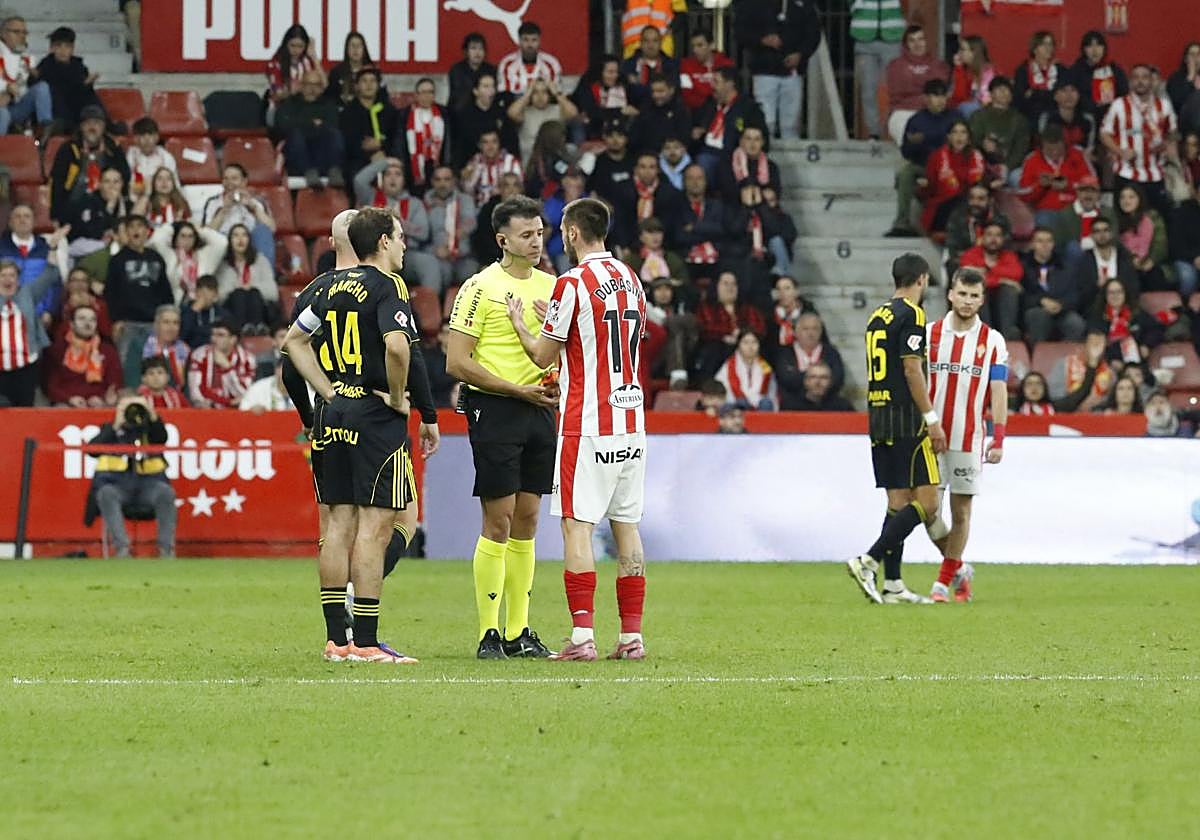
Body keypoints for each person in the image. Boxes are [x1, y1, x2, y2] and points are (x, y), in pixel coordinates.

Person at [503, 196, 649, 660]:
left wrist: (523, 324)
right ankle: (631, 637)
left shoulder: (573, 282)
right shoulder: (631, 278)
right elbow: (614, 340)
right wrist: (560, 319)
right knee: (626, 526)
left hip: (586, 424)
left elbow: (544, 356)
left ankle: (583, 636)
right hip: (631, 421)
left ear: (571, 233)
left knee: (577, 526)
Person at [284, 208, 423, 664]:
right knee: (377, 526)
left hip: (333, 412)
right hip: (372, 415)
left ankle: (336, 640)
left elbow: (293, 345)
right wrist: (400, 397)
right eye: (400, 237)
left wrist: (327, 391)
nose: (403, 245)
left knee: (337, 526)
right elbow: (399, 346)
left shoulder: (325, 287)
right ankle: (365, 641)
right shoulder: (387, 287)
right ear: (383, 242)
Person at [446, 195, 558, 659]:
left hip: (539, 409)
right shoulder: (479, 287)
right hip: (496, 408)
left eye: (539, 233)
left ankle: (519, 631)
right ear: (502, 239)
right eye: (527, 235)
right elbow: (456, 361)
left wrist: (551, 387)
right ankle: (488, 633)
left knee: (529, 520)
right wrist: (517, 390)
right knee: (499, 519)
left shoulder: (554, 286)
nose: (536, 242)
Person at [847, 253, 945, 605]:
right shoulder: (913, 314)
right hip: (905, 417)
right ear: (921, 279)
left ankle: (893, 584)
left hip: (878, 414)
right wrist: (931, 419)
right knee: (929, 504)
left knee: (897, 502)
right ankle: (868, 560)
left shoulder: (878, 315)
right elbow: (911, 369)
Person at [922, 266, 1008, 602]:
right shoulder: (929, 334)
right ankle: (959, 568)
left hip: (968, 440)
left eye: (974, 296)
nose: (968, 301)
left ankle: (943, 582)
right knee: (928, 512)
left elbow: (998, 391)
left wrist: (998, 438)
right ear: (950, 294)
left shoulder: (993, 341)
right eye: (963, 294)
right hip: (929, 439)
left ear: (982, 299)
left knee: (960, 514)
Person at [87, 393, 176, 557]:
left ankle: (166, 549)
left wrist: (152, 416)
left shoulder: (150, 429)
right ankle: (122, 548)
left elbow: (161, 437)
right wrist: (116, 425)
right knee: (106, 493)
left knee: (165, 492)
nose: (133, 411)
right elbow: (92, 450)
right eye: (128, 407)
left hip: (147, 486)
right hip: (118, 486)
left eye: (137, 407)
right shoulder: (110, 429)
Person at [735, 0, 821, 141]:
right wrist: (762, 40)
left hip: (793, 72)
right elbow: (740, 31)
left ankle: (793, 160)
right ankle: (766, 159)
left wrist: (801, 54)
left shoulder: (803, 3)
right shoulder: (752, 4)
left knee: (791, 124)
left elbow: (813, 33)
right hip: (764, 71)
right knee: (766, 122)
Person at [352, 157, 442, 292]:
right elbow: (359, 180)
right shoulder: (371, 196)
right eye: (388, 174)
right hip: (375, 252)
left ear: (404, 180)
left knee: (429, 263)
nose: (393, 179)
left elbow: (423, 233)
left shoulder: (414, 203)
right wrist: (385, 162)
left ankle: (430, 307)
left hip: (407, 253)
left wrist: (397, 222)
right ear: (382, 179)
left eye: (398, 174)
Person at [1101, 64, 1179, 218]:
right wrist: (1120, 151)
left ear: (1152, 81)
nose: (1140, 81)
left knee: (1159, 221)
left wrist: (1165, 145)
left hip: (1155, 174)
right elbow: (1104, 133)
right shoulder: (1119, 105)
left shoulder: (1164, 105)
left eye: (1144, 77)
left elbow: (1173, 133)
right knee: (1126, 222)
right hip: (1126, 173)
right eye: (1136, 77)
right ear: (1130, 82)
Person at [105, 214, 172, 373]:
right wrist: (116, 320)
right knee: (126, 364)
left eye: (140, 226)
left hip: (153, 322)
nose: (136, 230)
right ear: (126, 232)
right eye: (132, 227)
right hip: (128, 323)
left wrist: (165, 320)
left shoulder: (156, 258)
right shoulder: (117, 260)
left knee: (157, 365)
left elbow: (165, 291)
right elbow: (111, 293)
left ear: (147, 231)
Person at [888, 78, 954, 237]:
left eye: (943, 96)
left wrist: (927, 141)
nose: (940, 100)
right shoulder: (916, 121)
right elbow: (906, 152)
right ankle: (902, 222)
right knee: (905, 173)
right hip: (923, 166)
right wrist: (915, 144)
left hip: (951, 166)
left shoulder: (955, 118)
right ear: (925, 99)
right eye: (935, 96)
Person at [48, 105, 129, 221]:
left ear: (103, 127)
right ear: (81, 127)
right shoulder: (69, 149)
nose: (92, 127)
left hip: (106, 206)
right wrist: (55, 216)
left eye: (97, 123)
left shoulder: (113, 148)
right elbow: (57, 182)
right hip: (74, 206)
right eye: (88, 123)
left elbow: (125, 176)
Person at [692, 68, 768, 183]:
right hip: (705, 150)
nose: (712, 86)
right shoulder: (709, 104)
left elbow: (762, 139)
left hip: (731, 154)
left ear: (730, 84)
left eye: (716, 82)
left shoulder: (748, 108)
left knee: (705, 162)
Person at [0, 257, 58, 406]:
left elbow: (49, 276)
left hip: (25, 366)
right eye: (3, 275)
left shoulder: (28, 293)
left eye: (12, 275)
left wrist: (53, 248)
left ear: (18, 279)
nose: (8, 279)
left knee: (24, 409)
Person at [276, 69, 346, 189]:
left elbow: (333, 125)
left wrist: (304, 125)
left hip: (322, 151)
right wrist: (312, 123)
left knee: (335, 134)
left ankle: (334, 170)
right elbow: (282, 125)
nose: (312, 89)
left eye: (316, 85)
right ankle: (309, 171)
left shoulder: (328, 104)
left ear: (322, 88)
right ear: (301, 85)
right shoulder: (290, 103)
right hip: (298, 155)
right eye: (308, 84)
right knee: (296, 135)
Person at [0, 202, 69, 323]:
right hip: (5, 314)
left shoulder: (46, 247)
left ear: (34, 222)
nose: (22, 220)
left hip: (38, 315)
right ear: (10, 222)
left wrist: (49, 311)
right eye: (18, 216)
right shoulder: (1, 247)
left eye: (27, 216)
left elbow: (54, 283)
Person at [1017, 124, 1095, 227]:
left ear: (1065, 145)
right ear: (1041, 147)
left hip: (1074, 209)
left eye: (1058, 149)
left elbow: (1093, 186)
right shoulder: (1032, 160)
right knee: (1043, 223)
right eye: (1049, 150)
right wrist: (1040, 185)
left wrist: (1068, 186)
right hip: (1046, 211)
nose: (1054, 153)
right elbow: (1024, 196)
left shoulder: (1078, 154)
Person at [44, 304, 121, 406]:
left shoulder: (108, 350)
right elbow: (50, 386)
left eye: (92, 320)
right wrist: (69, 399)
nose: (87, 324)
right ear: (71, 324)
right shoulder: (57, 350)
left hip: (98, 401)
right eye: (82, 319)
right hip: (65, 402)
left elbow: (115, 382)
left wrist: (103, 397)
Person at [957, 219, 1023, 339]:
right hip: (980, 299)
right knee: (978, 290)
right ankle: (984, 336)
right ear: (982, 237)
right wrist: (1000, 280)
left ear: (1003, 239)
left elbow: (1017, 273)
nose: (993, 239)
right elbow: (967, 278)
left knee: (1009, 290)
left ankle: (1006, 339)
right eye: (989, 234)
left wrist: (987, 271)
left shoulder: (1009, 255)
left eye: (998, 235)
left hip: (1002, 300)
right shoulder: (971, 254)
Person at [694, 271, 766, 379]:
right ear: (717, 287)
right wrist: (727, 334)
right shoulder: (706, 307)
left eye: (733, 284)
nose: (730, 287)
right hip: (717, 348)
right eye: (725, 284)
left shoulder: (747, 309)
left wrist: (741, 334)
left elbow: (760, 328)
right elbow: (704, 328)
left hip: (746, 347)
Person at [885, 25, 950, 144]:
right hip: (903, 112)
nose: (917, 44)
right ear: (906, 45)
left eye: (921, 39)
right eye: (912, 40)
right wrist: (925, 88)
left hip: (932, 112)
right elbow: (898, 92)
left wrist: (914, 87)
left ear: (926, 42)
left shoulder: (938, 66)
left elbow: (938, 89)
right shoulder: (895, 66)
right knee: (910, 137)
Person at [850, 0, 905, 138]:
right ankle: (874, 133)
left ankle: (894, 129)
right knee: (868, 89)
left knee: (896, 89)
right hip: (864, 38)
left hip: (892, 38)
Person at [201, 163, 277, 262]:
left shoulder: (256, 201)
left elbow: (271, 229)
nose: (229, 182)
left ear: (244, 181)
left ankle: (264, 274)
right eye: (225, 179)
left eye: (234, 178)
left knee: (262, 231)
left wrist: (253, 208)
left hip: (251, 244)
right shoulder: (213, 202)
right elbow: (207, 234)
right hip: (225, 243)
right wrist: (224, 210)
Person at [1022, 226, 1085, 344]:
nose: (1045, 245)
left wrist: (1061, 305)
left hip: (1061, 311)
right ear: (1032, 244)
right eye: (1040, 241)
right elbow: (1021, 295)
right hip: (1036, 310)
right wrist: (1041, 301)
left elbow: (1075, 295)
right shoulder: (1023, 266)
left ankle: (1065, 359)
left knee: (1076, 323)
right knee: (1038, 316)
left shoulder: (1066, 267)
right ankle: (1038, 357)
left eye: (1049, 241)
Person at [922, 119, 986, 233]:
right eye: (955, 132)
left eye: (963, 132)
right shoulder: (936, 156)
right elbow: (930, 187)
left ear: (969, 137)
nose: (959, 136)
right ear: (949, 137)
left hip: (971, 203)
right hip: (943, 206)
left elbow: (979, 182)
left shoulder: (977, 156)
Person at [612, 151, 685, 251]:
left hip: (662, 247)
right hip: (630, 245)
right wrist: (624, 246)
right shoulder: (623, 190)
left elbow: (669, 225)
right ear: (636, 169)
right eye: (643, 167)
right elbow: (620, 222)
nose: (647, 171)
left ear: (658, 170)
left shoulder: (669, 193)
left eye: (652, 167)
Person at [214, 223, 278, 331]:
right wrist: (236, 288)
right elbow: (218, 295)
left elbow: (273, 292)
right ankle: (242, 329)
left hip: (258, 303)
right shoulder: (222, 265)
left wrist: (251, 286)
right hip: (232, 306)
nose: (240, 239)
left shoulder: (260, 261)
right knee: (239, 294)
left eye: (244, 235)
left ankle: (257, 328)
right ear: (229, 240)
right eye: (236, 235)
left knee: (253, 292)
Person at [423, 165, 479, 289]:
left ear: (454, 181)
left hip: (464, 257)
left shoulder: (465, 200)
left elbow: (471, 222)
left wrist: (456, 235)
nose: (442, 184)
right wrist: (434, 251)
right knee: (439, 271)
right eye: (438, 180)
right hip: (436, 257)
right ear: (432, 182)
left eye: (446, 179)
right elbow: (421, 238)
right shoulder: (424, 204)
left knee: (472, 274)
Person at [967, 76, 1030, 186]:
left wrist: (1007, 166)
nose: (1004, 92)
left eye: (1007, 90)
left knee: (1018, 177)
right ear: (991, 94)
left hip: (1009, 166)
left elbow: (1021, 149)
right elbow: (972, 140)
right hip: (982, 163)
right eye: (999, 89)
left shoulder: (1020, 120)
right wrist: (983, 144)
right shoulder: (978, 116)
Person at [1070, 217, 1138, 315]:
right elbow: (1081, 294)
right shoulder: (1084, 260)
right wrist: (1096, 286)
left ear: (1111, 234)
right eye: (1097, 231)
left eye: (1105, 230)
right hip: (1094, 311)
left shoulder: (1124, 257)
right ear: (1091, 236)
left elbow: (1133, 287)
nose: (1102, 235)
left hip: (1124, 309)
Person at [36, 26, 99, 132]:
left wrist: (86, 84)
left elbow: (81, 93)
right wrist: (34, 76)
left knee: (91, 98)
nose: (63, 50)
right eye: (58, 46)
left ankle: (104, 124)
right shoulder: (45, 65)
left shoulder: (78, 66)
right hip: (57, 111)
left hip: (76, 107)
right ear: (51, 48)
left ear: (72, 49)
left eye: (67, 46)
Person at [148, 220, 226, 304]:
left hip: (200, 305)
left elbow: (221, 242)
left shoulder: (204, 256)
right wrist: (173, 226)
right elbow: (156, 240)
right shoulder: (169, 255)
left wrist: (199, 230)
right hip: (173, 305)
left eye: (191, 236)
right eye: (183, 236)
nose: (187, 240)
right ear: (176, 238)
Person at [339, 68, 398, 178]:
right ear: (356, 86)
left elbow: (396, 138)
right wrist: (369, 152)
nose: (369, 85)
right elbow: (347, 144)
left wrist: (381, 145)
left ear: (378, 85)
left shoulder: (389, 111)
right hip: (358, 161)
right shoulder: (348, 113)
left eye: (372, 81)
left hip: (386, 156)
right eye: (364, 81)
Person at [0, 15, 52, 137]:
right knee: (2, 114)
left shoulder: (28, 59)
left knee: (42, 87)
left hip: (14, 107)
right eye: (16, 32)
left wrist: (34, 77)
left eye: (24, 32)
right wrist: (6, 87)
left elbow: (22, 91)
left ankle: (45, 133)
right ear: (2, 34)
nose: (22, 36)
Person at [507, 78, 578, 167]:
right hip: (531, 167)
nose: (540, 97)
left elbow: (573, 113)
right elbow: (511, 113)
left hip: (555, 165)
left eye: (544, 92)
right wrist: (527, 94)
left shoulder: (557, 109)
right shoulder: (524, 112)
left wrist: (556, 93)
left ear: (549, 94)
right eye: (535, 92)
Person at [454, 72, 518, 169]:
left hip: (499, 165)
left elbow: (511, 141)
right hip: (472, 165)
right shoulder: (464, 114)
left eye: (493, 86)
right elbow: (460, 146)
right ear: (475, 91)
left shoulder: (501, 113)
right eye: (486, 86)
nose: (491, 91)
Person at [186, 319, 255, 408]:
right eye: (213, 334)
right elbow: (196, 393)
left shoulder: (248, 359)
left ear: (233, 339)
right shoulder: (200, 354)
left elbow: (246, 394)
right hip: (208, 410)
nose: (213, 339)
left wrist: (227, 368)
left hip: (237, 411)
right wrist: (227, 402)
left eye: (220, 335)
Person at [1115, 183, 1171, 292]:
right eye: (1122, 197)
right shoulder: (1114, 220)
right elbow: (1116, 245)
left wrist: (1150, 260)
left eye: (1131, 197)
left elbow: (1160, 245)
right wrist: (1132, 258)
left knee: (1155, 276)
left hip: (1148, 261)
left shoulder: (1152, 218)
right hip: (1124, 263)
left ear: (1139, 199)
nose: (1126, 201)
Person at [775, 311, 845, 397]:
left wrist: (804, 377)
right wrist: (819, 379)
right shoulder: (785, 352)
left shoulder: (831, 352)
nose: (810, 333)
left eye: (815, 329)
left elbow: (837, 378)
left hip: (826, 400)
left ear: (821, 331)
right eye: (805, 329)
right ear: (796, 331)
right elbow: (785, 378)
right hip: (792, 400)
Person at [397, 77, 449, 195]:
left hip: (437, 163)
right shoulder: (405, 114)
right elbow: (399, 142)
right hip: (413, 167)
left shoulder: (444, 113)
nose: (427, 96)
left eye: (430, 92)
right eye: (423, 92)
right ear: (416, 95)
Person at [264, 24, 324, 121]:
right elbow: (278, 95)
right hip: (281, 109)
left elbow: (324, 85)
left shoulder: (307, 62)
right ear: (286, 44)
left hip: (305, 108)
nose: (296, 50)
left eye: (300, 46)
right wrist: (295, 90)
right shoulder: (275, 64)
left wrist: (314, 56)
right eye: (292, 45)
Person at [945, 183, 1009, 270]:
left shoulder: (1001, 220)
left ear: (990, 200)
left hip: (994, 265)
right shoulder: (958, 217)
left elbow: (1005, 249)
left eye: (981, 199)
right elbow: (953, 249)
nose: (975, 202)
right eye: (972, 198)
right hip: (966, 263)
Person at [1050, 175, 1115, 260]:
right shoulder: (1065, 214)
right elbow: (1060, 244)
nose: (1088, 195)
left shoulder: (1107, 213)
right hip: (1075, 259)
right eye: (1084, 191)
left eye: (1093, 191)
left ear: (1099, 194)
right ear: (1077, 193)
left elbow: (1114, 239)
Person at [1013, 31, 1070, 122]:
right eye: (1044, 44)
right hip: (1030, 115)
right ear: (1034, 49)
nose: (1048, 48)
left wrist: (1035, 93)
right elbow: (1020, 98)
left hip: (1056, 115)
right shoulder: (1023, 71)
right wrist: (1049, 95)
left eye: (1051, 44)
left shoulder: (1060, 69)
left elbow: (1062, 95)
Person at [714, 329, 777, 411]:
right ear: (738, 345)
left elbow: (771, 393)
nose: (750, 347)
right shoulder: (728, 366)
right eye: (745, 342)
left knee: (766, 403)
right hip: (734, 405)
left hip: (759, 406)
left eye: (754, 342)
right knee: (741, 403)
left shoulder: (765, 367)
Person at [718, 125, 781, 205]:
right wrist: (755, 194)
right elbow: (727, 191)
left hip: (763, 209)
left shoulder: (771, 166)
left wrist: (755, 194)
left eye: (757, 139)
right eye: (748, 139)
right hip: (735, 209)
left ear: (762, 142)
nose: (752, 143)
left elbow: (775, 193)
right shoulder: (728, 163)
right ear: (741, 142)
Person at [628, 74, 690, 156]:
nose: (656, 95)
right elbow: (635, 137)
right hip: (646, 156)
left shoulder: (681, 110)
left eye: (660, 91)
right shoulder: (645, 108)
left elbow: (683, 139)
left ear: (671, 90)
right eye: (653, 91)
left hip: (671, 156)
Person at [496, 21, 562, 97]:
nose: (530, 44)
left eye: (534, 40)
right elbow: (505, 95)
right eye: (526, 40)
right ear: (519, 41)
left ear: (539, 41)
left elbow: (556, 94)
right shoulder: (507, 64)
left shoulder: (551, 64)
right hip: (515, 106)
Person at [461, 128, 523, 208]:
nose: (490, 146)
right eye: (485, 142)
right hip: (481, 209)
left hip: (505, 207)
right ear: (480, 145)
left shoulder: (511, 161)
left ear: (499, 144)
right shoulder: (474, 162)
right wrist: (466, 177)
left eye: (494, 142)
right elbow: (468, 191)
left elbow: (519, 189)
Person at [1071, 31, 1127, 118]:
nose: (1095, 50)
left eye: (1098, 45)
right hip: (1085, 116)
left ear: (1104, 48)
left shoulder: (1114, 69)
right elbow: (1074, 96)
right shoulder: (1076, 71)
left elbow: (1124, 93)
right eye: (1090, 46)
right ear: (1084, 49)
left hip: (1112, 115)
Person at [621, 25, 680, 107]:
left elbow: (674, 93)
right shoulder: (628, 65)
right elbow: (626, 94)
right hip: (636, 113)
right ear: (640, 43)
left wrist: (638, 86)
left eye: (655, 41)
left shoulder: (672, 65)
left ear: (660, 43)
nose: (650, 45)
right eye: (646, 41)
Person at [678, 30, 734, 113]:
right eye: (693, 46)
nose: (695, 50)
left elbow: (731, 92)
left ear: (711, 45)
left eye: (700, 45)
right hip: (697, 112)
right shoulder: (685, 66)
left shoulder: (726, 64)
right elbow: (687, 95)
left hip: (725, 110)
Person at [1039, 78, 1096, 156]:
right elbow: (1045, 146)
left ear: (1079, 95)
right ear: (1055, 96)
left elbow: (1090, 148)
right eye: (1063, 90)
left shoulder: (1088, 119)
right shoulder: (1046, 119)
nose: (1069, 95)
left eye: (1073, 90)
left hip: (1081, 160)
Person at [587, 118, 635, 206]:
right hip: (606, 211)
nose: (615, 140)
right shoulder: (598, 161)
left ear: (626, 138)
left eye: (620, 135)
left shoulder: (634, 160)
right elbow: (591, 190)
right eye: (610, 136)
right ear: (604, 137)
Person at [125, 118, 177, 199]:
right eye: (142, 135)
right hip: (135, 202)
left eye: (151, 135)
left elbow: (175, 185)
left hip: (160, 201)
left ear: (157, 137)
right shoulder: (130, 155)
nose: (147, 140)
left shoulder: (166, 157)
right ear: (135, 139)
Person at [325, 31, 381, 107]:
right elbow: (330, 98)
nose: (356, 49)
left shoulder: (372, 71)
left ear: (364, 49)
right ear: (346, 49)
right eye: (352, 46)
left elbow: (382, 97)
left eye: (359, 46)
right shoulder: (336, 72)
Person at [141, 304, 189, 388]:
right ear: (156, 325)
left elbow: (188, 387)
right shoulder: (140, 345)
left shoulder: (185, 350)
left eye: (175, 323)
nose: (171, 328)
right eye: (166, 322)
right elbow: (133, 379)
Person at [448, 32, 495, 112]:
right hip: (462, 111)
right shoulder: (457, 70)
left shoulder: (491, 70)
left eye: (481, 48)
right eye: (473, 48)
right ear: (466, 51)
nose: (477, 52)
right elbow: (458, 96)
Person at [949, 35, 995, 118]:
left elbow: (986, 102)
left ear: (974, 52)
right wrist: (959, 69)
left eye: (962, 50)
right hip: (962, 110)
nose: (959, 53)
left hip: (984, 113)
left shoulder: (988, 72)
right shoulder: (962, 70)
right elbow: (957, 97)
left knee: (966, 108)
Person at [1170, 178, 1200, 297]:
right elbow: (1176, 244)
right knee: (1187, 277)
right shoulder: (1182, 212)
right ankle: (1186, 309)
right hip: (1185, 258)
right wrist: (1195, 257)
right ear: (1196, 194)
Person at [782, 361, 852, 411]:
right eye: (813, 377)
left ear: (830, 382)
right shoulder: (791, 407)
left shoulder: (842, 407)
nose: (818, 382)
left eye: (824, 377)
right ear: (806, 381)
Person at [180, 274, 225, 348]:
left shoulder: (221, 313)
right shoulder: (186, 310)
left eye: (209, 292)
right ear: (196, 293)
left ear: (215, 295)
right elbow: (181, 336)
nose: (205, 296)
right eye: (201, 292)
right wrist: (193, 311)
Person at [1166, 42, 1200, 131]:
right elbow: (1177, 104)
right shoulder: (1176, 78)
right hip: (1186, 124)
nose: (1196, 58)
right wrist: (1191, 76)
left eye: (1199, 54)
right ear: (1185, 59)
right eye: (1192, 54)